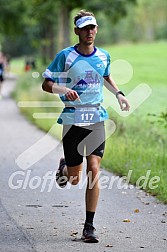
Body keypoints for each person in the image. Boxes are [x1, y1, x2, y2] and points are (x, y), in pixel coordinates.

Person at [42, 10, 130, 243]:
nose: (89, 31)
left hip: (96, 118)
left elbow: (106, 76)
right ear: (77, 31)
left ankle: (89, 227)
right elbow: (46, 83)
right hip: (72, 119)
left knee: (94, 167)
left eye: (93, 27)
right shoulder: (65, 56)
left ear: (96, 30)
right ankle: (64, 168)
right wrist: (63, 90)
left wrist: (119, 94)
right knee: (74, 179)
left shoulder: (103, 56)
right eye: (85, 28)